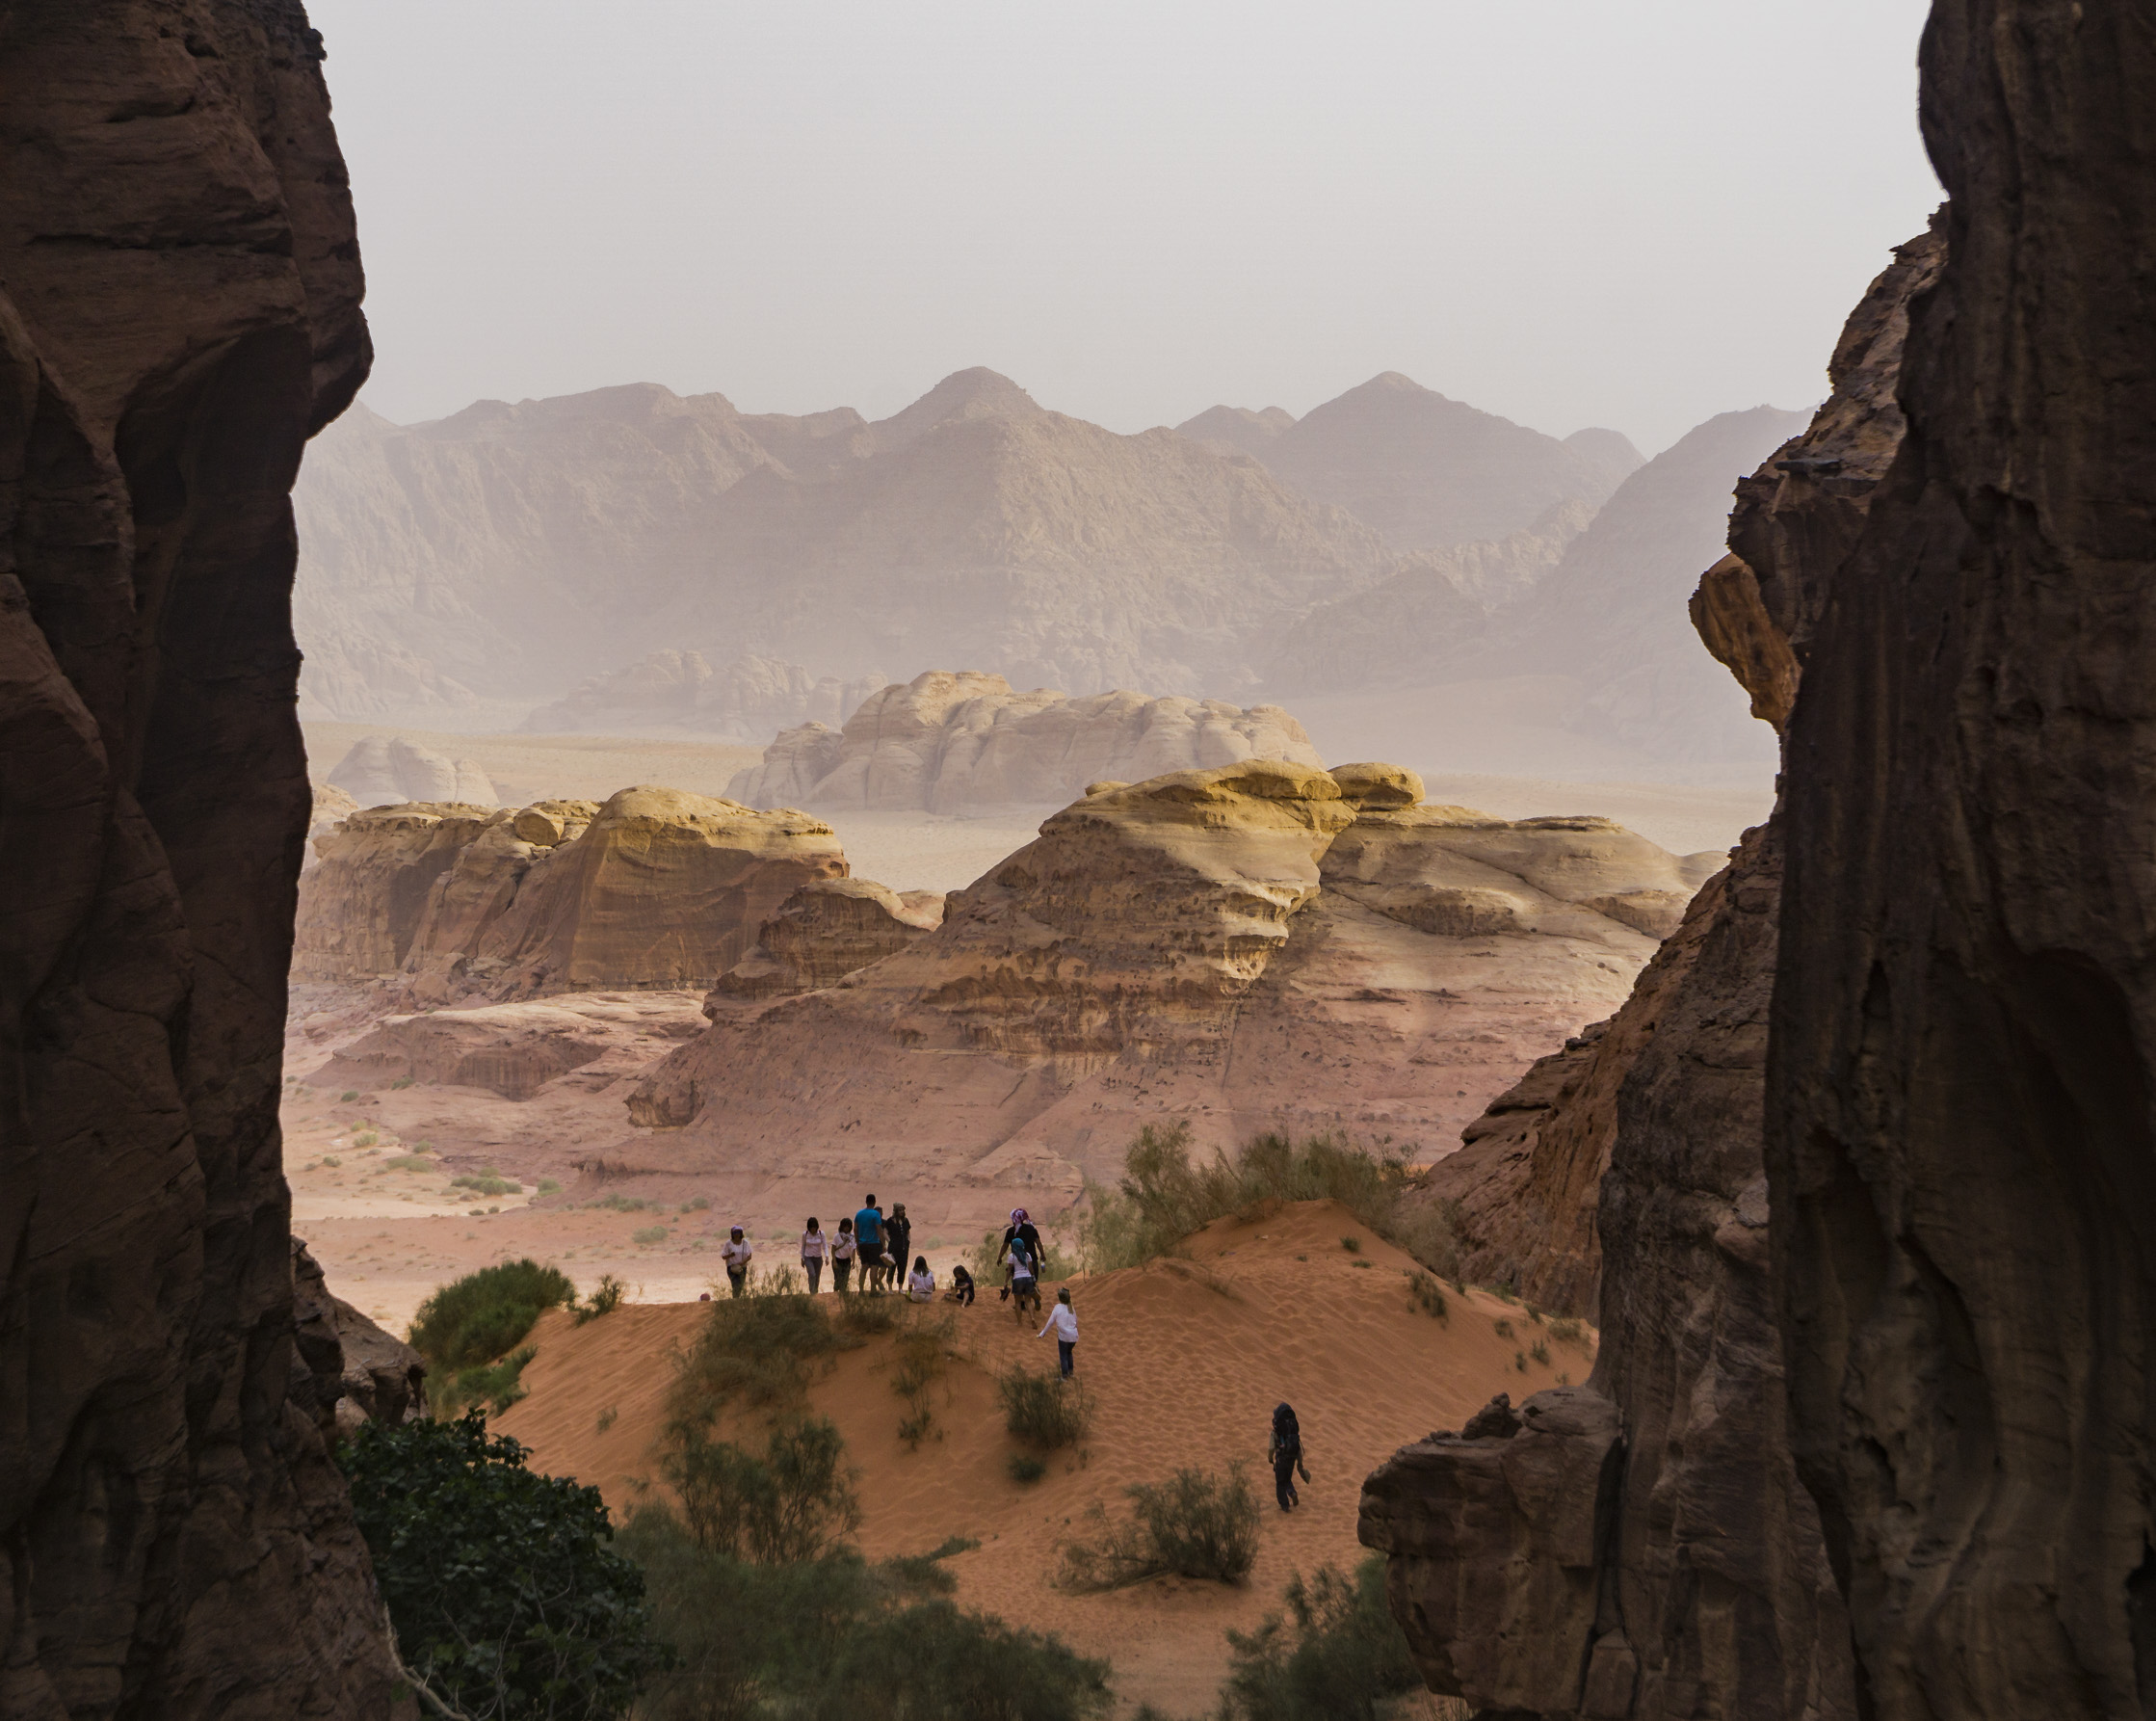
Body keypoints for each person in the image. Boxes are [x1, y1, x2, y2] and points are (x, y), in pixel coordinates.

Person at [1269, 1402, 1309, 1511]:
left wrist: (1270, 1459)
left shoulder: (1276, 1432)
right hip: (1292, 1458)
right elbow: (1298, 1449)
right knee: (1287, 1478)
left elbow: (1271, 1448)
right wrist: (1300, 1464)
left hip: (1281, 1458)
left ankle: (1285, 1506)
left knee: (1280, 1482)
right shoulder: (1292, 1431)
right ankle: (1292, 1492)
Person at [1038, 1285, 1078, 1378]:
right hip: (1074, 1337)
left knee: (1063, 1356)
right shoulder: (1071, 1308)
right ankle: (1071, 1373)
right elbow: (1076, 1322)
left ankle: (1064, 1376)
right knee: (1069, 1353)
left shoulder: (1057, 1307)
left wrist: (1042, 1333)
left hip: (1064, 1337)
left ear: (1060, 1298)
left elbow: (1050, 1322)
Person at [1007, 1231, 1040, 1319]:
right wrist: (1033, 1278)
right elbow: (1031, 1268)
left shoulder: (1012, 1256)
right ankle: (1032, 1318)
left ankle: (1019, 1322)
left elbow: (1009, 1270)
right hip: (1028, 1278)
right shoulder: (1027, 1255)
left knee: (1018, 1303)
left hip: (1017, 1279)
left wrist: (1006, 1281)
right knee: (1028, 1301)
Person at [855, 1194, 884, 1291]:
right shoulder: (876, 1214)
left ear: (866, 1201)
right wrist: (883, 1244)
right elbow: (879, 1230)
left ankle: (861, 1290)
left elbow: (855, 1229)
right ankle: (873, 1290)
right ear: (874, 1202)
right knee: (874, 1267)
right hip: (874, 1244)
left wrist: (857, 1244)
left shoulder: (859, 1214)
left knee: (864, 1267)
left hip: (862, 1244)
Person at [886, 1204, 914, 1288]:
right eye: (900, 1210)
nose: (902, 1212)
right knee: (891, 1267)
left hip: (903, 1248)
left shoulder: (905, 1221)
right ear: (896, 1211)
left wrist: (908, 1241)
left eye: (902, 1210)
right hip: (893, 1249)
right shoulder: (890, 1221)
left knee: (902, 1267)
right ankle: (890, 1288)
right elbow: (885, 1232)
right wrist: (890, 1241)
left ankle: (900, 1288)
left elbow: (908, 1232)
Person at [720, 1226, 753, 1297]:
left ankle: (737, 1299)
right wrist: (730, 1255)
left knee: (741, 1285)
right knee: (735, 1284)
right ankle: (735, 1299)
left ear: (741, 1233)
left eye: (738, 1232)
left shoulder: (745, 1243)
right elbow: (723, 1256)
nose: (737, 1234)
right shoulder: (728, 1243)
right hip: (732, 1268)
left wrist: (743, 1262)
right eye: (735, 1232)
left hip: (742, 1268)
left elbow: (749, 1256)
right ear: (732, 1234)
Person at [800, 1216, 828, 1293]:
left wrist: (827, 1257)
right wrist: (802, 1258)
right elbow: (803, 1246)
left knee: (817, 1276)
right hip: (808, 1258)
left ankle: (815, 1291)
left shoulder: (821, 1234)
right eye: (811, 1227)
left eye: (814, 1227)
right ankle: (812, 1291)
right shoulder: (805, 1234)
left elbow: (825, 1246)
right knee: (812, 1274)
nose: (813, 1229)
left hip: (818, 1258)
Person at [831, 1216, 857, 1294]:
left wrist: (853, 1262)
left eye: (848, 1226)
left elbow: (853, 1250)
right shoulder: (837, 1236)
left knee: (845, 1278)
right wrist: (834, 1261)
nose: (846, 1228)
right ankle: (835, 1293)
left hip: (847, 1260)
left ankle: (843, 1293)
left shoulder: (852, 1237)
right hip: (837, 1259)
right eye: (845, 1226)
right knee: (838, 1278)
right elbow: (833, 1249)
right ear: (842, 1226)